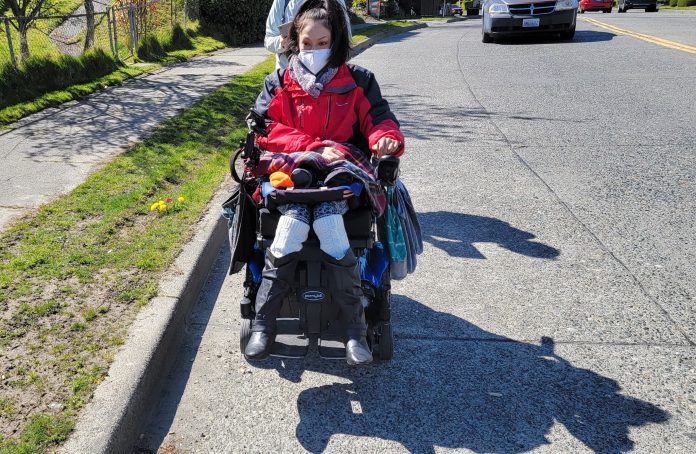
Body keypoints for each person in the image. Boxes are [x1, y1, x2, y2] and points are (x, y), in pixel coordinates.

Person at [245, 0, 405, 366]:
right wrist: (315, 147)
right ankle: (263, 326)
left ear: (338, 42)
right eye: (307, 43)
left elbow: (380, 120)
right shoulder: (279, 84)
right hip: (293, 172)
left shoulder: (360, 81)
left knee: (332, 226)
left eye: (323, 43)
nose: (314, 51)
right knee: (286, 232)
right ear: (294, 43)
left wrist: (386, 139)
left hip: (340, 175)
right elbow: (265, 130)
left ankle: (354, 332)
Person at [265, 0, 351, 70]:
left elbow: (346, 40)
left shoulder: (338, 2)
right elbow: (268, 41)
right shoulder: (282, 2)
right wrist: (282, 43)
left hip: (328, 75)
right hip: (289, 78)